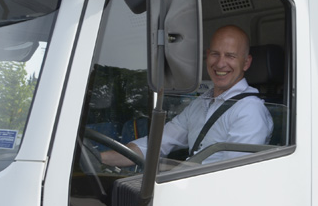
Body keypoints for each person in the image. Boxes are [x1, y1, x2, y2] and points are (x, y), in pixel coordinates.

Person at [100, 25, 273, 166]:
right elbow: (156, 144)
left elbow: (232, 178)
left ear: (246, 62)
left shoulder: (250, 111)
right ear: (207, 56)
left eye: (230, 56)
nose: (220, 63)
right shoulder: (201, 103)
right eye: (215, 54)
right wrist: (100, 158)